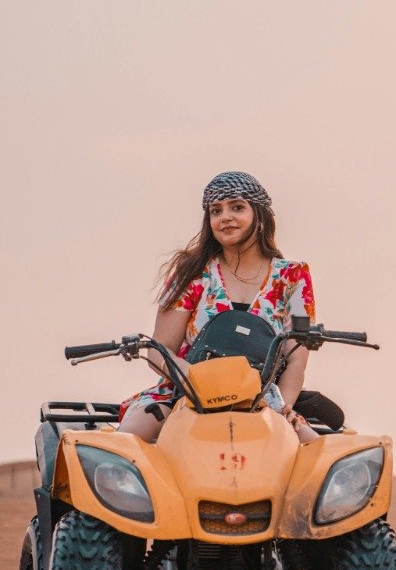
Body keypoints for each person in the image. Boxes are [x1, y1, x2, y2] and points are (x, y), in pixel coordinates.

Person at [119, 171, 321, 444]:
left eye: (237, 207)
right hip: (186, 393)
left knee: (322, 459)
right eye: (216, 211)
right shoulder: (191, 273)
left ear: (259, 216)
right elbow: (159, 350)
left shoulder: (293, 277)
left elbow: (297, 358)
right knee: (125, 443)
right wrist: (200, 382)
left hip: (262, 399)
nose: (225, 217)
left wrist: (283, 408)